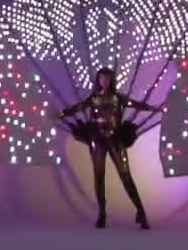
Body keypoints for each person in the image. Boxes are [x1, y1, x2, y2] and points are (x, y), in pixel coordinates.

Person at [58, 67, 162, 230]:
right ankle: (102, 213)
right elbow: (78, 107)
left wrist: (152, 108)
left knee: (125, 175)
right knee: (99, 176)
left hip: (115, 139)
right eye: (102, 78)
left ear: (111, 80)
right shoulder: (93, 98)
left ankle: (141, 212)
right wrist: (61, 113)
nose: (104, 81)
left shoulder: (118, 98)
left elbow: (135, 104)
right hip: (97, 141)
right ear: (98, 80)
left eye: (107, 78)